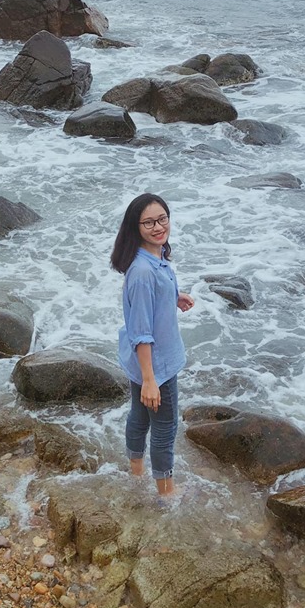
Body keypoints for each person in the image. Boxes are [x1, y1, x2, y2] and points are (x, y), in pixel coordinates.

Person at [111, 193, 194, 496]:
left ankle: (136, 475)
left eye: (162, 219)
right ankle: (166, 494)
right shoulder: (144, 272)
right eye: (149, 223)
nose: (158, 227)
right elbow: (142, 331)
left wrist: (172, 296)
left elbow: (145, 307)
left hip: (142, 362)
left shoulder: (152, 259)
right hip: (156, 365)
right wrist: (150, 380)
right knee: (164, 428)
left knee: (140, 416)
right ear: (136, 227)